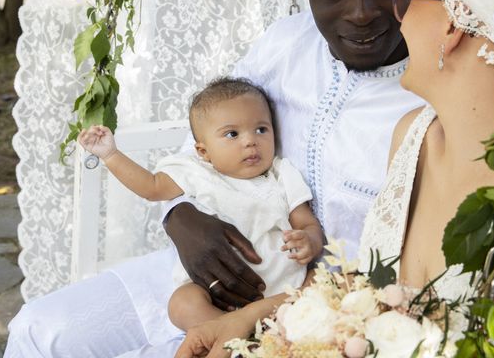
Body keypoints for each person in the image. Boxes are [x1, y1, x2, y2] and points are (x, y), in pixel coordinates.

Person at [4, 0, 424, 356]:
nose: (362, 12)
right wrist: (181, 218)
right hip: (205, 275)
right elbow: (205, 137)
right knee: (42, 329)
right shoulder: (286, 44)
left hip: (322, 316)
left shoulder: (435, 89)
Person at [176, 0, 494, 358]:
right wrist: (245, 321)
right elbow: (370, 292)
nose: (390, 11)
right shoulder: (411, 137)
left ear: (452, 25)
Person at [77, 77, 324, 331]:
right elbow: (151, 187)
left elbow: (306, 222)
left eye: (261, 129)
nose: (250, 141)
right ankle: (229, 332)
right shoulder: (196, 172)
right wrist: (111, 155)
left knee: (318, 286)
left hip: (280, 292)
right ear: (203, 151)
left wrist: (310, 240)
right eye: (232, 134)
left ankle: (252, 332)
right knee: (182, 304)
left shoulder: (281, 175)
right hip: (218, 296)